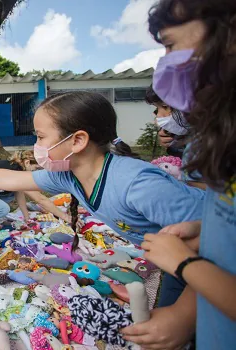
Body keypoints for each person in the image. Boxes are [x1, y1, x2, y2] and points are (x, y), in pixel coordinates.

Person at [0, 91, 205, 305]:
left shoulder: (137, 184)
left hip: (208, 259)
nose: (37, 146)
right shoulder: (69, 175)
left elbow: (216, 236)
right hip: (178, 262)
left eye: (41, 137)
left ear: (77, 141)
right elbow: (7, 179)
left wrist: (182, 309)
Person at [122, 1, 236, 349]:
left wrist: (184, 264)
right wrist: (208, 231)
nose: (166, 62)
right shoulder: (224, 141)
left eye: (170, 45)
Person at [0, 150, 70, 229]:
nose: (37, 173)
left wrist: (26, 217)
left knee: (9, 195)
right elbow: (40, 199)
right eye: (36, 169)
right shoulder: (16, 171)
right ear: (27, 162)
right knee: (2, 209)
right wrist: (65, 217)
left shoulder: (17, 168)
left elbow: (19, 193)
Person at [145, 86, 206, 190]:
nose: (158, 116)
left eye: (164, 106)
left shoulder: (209, 140)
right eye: (156, 108)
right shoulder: (193, 135)